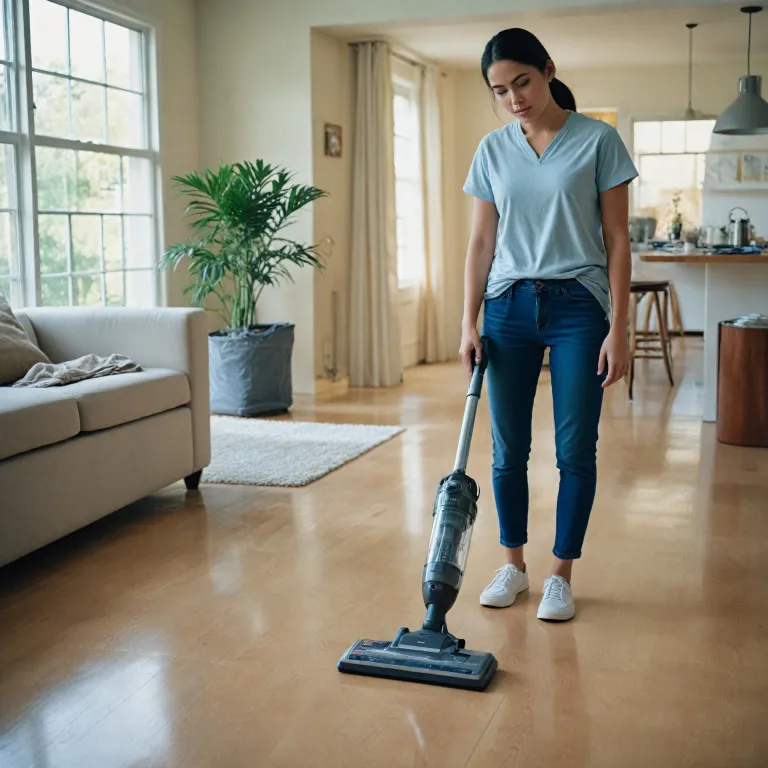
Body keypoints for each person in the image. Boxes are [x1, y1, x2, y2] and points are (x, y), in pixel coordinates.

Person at [460, 28, 638, 621]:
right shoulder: (492, 150)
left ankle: (561, 574)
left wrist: (620, 327)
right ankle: (513, 564)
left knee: (575, 448)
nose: (514, 98)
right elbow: (481, 241)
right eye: (500, 90)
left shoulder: (598, 140)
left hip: (578, 308)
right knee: (508, 449)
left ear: (548, 71)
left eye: (524, 82)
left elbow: (617, 239)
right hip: (507, 307)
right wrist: (468, 321)